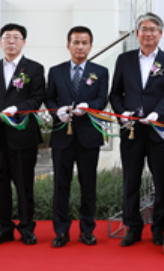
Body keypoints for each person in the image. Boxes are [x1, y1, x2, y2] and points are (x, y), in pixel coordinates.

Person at [109, 12, 164, 247]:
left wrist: (156, 113)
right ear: (137, 33)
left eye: (153, 29)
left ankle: (159, 228)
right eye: (144, 29)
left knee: (161, 180)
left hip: (158, 129)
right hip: (131, 129)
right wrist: (122, 114)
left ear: (160, 34)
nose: (148, 33)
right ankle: (133, 227)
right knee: (131, 179)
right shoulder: (125, 60)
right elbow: (115, 93)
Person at [0, 23, 46, 247]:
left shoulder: (34, 69)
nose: (11, 41)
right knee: (0, 185)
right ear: (0, 41)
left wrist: (17, 109)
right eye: (7, 37)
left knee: (24, 185)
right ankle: (3, 228)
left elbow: (37, 98)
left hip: (22, 135)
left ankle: (27, 228)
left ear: (23, 42)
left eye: (16, 37)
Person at [46, 26, 109, 247]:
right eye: (76, 42)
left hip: (88, 136)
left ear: (90, 46)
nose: (80, 46)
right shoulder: (56, 71)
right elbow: (49, 98)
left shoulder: (100, 72)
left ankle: (87, 229)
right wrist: (57, 112)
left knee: (88, 185)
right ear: (68, 45)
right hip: (62, 136)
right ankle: (61, 231)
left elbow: (102, 99)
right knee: (60, 185)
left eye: (84, 42)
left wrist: (88, 107)